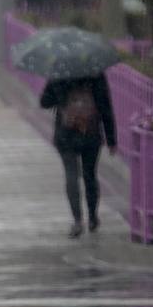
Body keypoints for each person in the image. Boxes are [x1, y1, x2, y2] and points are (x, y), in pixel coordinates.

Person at [41, 73, 118, 237]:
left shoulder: (59, 72)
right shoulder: (96, 73)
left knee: (71, 175)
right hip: (90, 133)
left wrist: (60, 98)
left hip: (65, 134)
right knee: (90, 174)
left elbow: (44, 102)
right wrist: (111, 139)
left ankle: (77, 220)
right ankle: (92, 217)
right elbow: (105, 106)